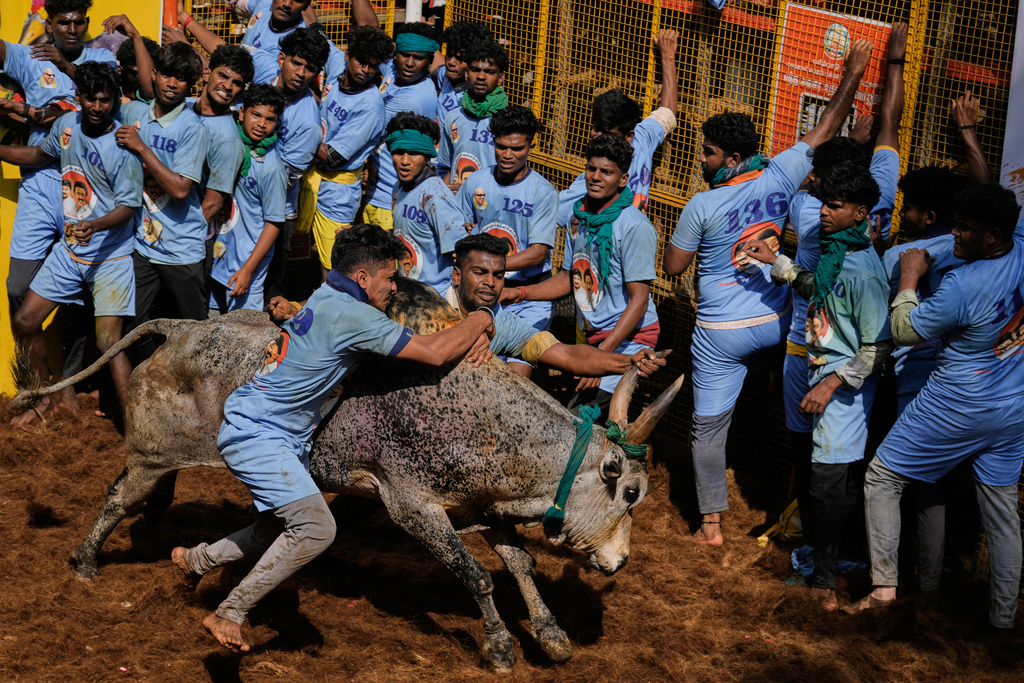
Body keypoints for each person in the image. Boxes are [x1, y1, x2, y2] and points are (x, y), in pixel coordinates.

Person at [171, 224, 496, 652]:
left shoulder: (328, 293)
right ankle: (230, 612)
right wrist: (480, 318)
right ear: (362, 278)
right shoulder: (353, 315)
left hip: (267, 429)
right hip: (259, 435)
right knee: (318, 527)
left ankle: (197, 560)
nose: (394, 285)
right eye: (388, 277)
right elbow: (435, 352)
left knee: (273, 529)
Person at [662, 38, 872, 546]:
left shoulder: (702, 204)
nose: (702, 160)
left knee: (708, 429)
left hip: (721, 333)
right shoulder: (781, 173)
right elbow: (825, 127)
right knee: (801, 430)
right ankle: (799, 518)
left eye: (708, 153)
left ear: (731, 156)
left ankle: (710, 525)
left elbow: (673, 267)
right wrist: (853, 72)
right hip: (781, 325)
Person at [847, 184, 1024, 630]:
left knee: (882, 477)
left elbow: (906, 330)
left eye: (964, 229)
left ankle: (884, 589)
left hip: (956, 403)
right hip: (1012, 408)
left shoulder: (963, 285)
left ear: (992, 235)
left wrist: (909, 277)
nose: (954, 237)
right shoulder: (1020, 249)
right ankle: (1003, 621)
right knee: (1002, 513)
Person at [744, 161, 893, 612]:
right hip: (821, 381)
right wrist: (779, 264)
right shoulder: (835, 255)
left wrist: (830, 384)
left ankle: (825, 584)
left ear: (861, 213)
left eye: (835, 205)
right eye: (823, 202)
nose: (823, 212)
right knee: (833, 484)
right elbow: (815, 286)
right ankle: (836, 562)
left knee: (828, 487)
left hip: (843, 395)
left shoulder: (864, 273)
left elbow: (879, 346)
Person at [781, 22, 906, 547]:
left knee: (814, 452)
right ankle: (812, 535)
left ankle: (815, 541)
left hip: (816, 349)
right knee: (829, 456)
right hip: (825, 344)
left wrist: (852, 73)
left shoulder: (810, 213)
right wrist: (892, 65)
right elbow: (887, 129)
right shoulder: (875, 193)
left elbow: (839, 142)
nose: (817, 190)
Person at [4, 62, 142, 426]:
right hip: (69, 252)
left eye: (105, 100)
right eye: (91, 99)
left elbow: (129, 206)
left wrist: (94, 225)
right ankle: (42, 399)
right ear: (78, 98)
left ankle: (134, 437)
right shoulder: (65, 126)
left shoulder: (122, 148)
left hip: (110, 258)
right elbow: (39, 155)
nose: (97, 107)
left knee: (108, 343)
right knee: (26, 319)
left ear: (113, 101)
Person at [0, 0, 117, 420]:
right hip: (39, 184)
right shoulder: (28, 55)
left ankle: (67, 387)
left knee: (82, 295)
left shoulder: (101, 56)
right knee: (18, 288)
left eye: (80, 21)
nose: (73, 29)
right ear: (49, 23)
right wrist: (27, 111)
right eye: (63, 22)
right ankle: (39, 387)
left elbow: (115, 99)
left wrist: (68, 73)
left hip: (84, 190)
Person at [501, 134, 659, 418]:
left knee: (581, 420)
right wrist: (520, 293)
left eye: (606, 172)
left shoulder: (634, 226)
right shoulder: (579, 219)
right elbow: (567, 279)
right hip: (596, 338)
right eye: (591, 169)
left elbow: (639, 301)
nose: (595, 177)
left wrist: (601, 358)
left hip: (629, 338)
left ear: (623, 180)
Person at [118, 43, 210, 359]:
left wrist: (143, 148)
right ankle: (154, 392)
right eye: (167, 75)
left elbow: (181, 189)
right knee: (131, 328)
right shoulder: (132, 113)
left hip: (182, 250)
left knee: (194, 340)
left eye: (181, 78)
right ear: (154, 75)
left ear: (191, 84)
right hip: (143, 246)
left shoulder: (192, 129)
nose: (172, 84)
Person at [456, 105, 558, 378]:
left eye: (517, 148)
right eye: (502, 147)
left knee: (514, 380)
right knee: (473, 370)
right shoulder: (475, 182)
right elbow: (461, 236)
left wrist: (490, 268)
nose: (508, 155)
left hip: (527, 296)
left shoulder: (543, 192)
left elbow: (537, 254)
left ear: (531, 147)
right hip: (483, 291)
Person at [246, 28, 329, 305]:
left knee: (268, 287)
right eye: (296, 63)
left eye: (310, 68)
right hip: (238, 200)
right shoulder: (263, 68)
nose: (301, 73)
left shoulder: (306, 122)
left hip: (273, 211)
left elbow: (285, 179)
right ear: (282, 58)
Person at [557, 29, 678, 218]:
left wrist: (668, 56)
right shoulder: (642, 140)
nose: (595, 135)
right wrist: (668, 57)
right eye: (595, 127)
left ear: (629, 136)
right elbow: (668, 112)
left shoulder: (592, 184)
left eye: (606, 133)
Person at [309, 25, 392, 279]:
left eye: (373, 66)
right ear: (348, 55)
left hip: (338, 193)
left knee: (332, 266)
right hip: (311, 178)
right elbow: (318, 34)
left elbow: (333, 157)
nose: (365, 70)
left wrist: (296, 135)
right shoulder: (336, 67)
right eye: (361, 62)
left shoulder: (370, 106)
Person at [209, 84, 288, 313]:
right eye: (256, 115)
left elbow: (274, 224)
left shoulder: (272, 168)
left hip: (245, 266)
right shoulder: (229, 142)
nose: (262, 124)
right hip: (218, 257)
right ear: (242, 112)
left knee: (242, 334)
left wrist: (248, 270)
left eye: (270, 119)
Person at [362, 22, 441, 232]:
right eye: (405, 55)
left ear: (430, 61)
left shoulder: (414, 99)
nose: (410, 63)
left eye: (419, 58)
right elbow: (368, 27)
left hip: (390, 199)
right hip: (377, 192)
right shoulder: (396, 72)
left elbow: (366, 131)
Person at [389, 112, 465, 294]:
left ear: (427, 156)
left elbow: (461, 254)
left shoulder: (435, 197)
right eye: (399, 153)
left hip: (435, 296)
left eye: (414, 153)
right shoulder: (398, 187)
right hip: (409, 293)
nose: (405, 161)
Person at [182, 46, 253, 235]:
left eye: (236, 83)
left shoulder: (228, 139)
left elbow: (212, 205)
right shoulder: (183, 106)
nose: (228, 86)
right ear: (207, 73)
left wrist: (180, 237)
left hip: (187, 242)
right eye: (222, 76)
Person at [436, 40, 508, 192]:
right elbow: (448, 168)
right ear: (467, 74)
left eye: (489, 72)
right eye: (476, 70)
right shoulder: (453, 117)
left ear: (500, 78)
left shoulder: (507, 122)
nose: (481, 76)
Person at [435, 21, 494, 117]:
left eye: (460, 58)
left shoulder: (479, 99)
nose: (451, 62)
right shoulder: (445, 75)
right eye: (449, 55)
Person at [105, 14, 158, 103]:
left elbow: (150, 92)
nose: (141, 77)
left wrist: (135, 36)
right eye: (136, 73)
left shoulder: (158, 100)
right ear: (120, 70)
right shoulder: (107, 96)